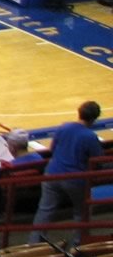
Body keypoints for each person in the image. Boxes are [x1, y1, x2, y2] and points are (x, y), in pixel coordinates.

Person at [29, 100, 104, 243]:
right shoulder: (90, 136)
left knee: (45, 210)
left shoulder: (63, 127)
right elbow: (98, 160)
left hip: (52, 173)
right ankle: (79, 243)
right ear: (95, 118)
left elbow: (52, 149)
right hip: (75, 178)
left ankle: (33, 243)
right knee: (81, 211)